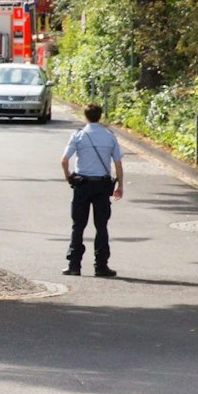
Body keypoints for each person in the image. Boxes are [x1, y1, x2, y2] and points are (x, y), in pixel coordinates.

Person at [60, 103, 125, 276]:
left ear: (85, 116)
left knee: (78, 226)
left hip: (82, 185)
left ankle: (74, 265)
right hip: (102, 186)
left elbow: (64, 160)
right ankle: (101, 266)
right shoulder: (109, 136)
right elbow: (118, 163)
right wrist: (120, 185)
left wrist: (69, 177)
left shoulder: (79, 135)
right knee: (101, 226)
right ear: (100, 116)